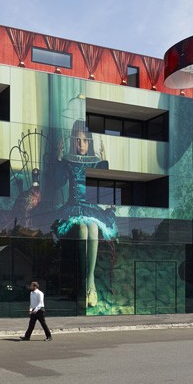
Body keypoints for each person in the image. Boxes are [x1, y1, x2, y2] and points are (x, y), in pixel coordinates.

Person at [51, 119, 116, 308]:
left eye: (85, 140)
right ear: (73, 141)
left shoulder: (94, 162)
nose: (81, 144)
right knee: (82, 229)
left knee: (93, 227)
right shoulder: (68, 162)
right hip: (73, 207)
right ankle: (81, 285)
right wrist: (58, 159)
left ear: (90, 142)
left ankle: (90, 282)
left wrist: (104, 162)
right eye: (78, 140)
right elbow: (56, 183)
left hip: (91, 208)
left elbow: (104, 186)